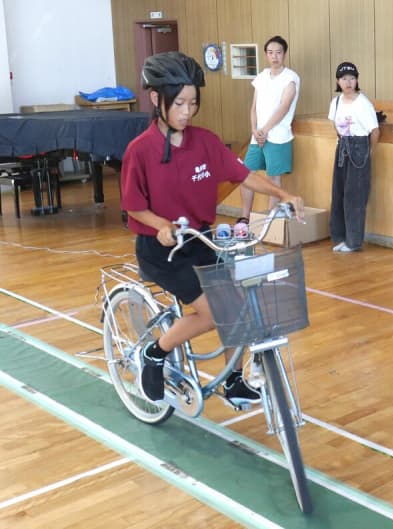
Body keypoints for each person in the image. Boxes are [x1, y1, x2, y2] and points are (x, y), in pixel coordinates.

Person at [121, 51, 304, 404]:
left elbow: (244, 175)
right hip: (163, 251)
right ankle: (154, 354)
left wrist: (283, 194)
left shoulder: (204, 141)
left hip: (201, 240)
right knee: (214, 312)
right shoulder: (139, 150)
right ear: (157, 99)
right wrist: (160, 225)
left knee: (236, 306)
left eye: (193, 103)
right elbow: (134, 205)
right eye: (180, 103)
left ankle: (233, 379)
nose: (187, 112)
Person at [238, 35, 300, 223]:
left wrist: (264, 130)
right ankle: (244, 218)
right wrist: (254, 129)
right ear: (266, 55)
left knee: (274, 178)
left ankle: (269, 221)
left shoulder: (291, 77)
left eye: (278, 52)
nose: (274, 56)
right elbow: (253, 107)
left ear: (285, 54)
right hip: (256, 137)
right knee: (245, 175)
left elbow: (284, 107)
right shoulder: (261, 76)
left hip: (278, 136)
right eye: (271, 53)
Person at [327, 61, 380, 252]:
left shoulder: (363, 103)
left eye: (352, 78)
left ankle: (353, 241)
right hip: (342, 145)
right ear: (338, 81)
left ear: (357, 80)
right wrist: (342, 141)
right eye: (344, 79)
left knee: (355, 196)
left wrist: (368, 151)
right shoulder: (336, 102)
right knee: (339, 192)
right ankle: (339, 237)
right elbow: (334, 124)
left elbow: (374, 131)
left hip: (359, 146)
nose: (348, 82)